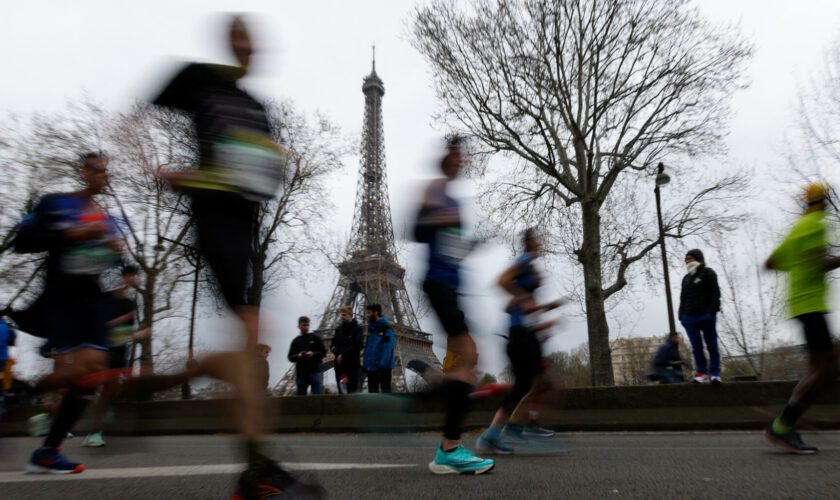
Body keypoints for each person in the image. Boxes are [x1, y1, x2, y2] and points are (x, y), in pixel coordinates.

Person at [147, 15, 322, 497]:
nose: (248, 43)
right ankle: (255, 470)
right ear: (229, 40)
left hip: (244, 227)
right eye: (239, 33)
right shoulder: (204, 80)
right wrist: (177, 172)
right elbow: (153, 100)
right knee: (250, 338)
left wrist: (277, 160)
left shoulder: (258, 109)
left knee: (249, 343)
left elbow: (262, 176)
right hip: (214, 219)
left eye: (253, 35)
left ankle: (169, 379)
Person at [13, 152, 123, 474]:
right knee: (81, 371)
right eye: (95, 169)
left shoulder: (106, 217)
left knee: (92, 374)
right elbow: (23, 242)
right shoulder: (55, 203)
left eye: (105, 171)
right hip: (60, 297)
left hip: (91, 297)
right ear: (82, 172)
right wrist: (70, 235)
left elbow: (103, 261)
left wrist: (112, 251)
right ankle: (19, 397)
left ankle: (47, 450)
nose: (102, 175)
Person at [415, 137, 494, 475]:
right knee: (469, 358)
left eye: (464, 156)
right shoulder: (435, 190)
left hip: (451, 286)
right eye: (457, 154)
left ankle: (433, 389)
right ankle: (449, 449)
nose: (461, 161)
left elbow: (450, 248)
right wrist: (438, 217)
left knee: (469, 360)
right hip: (438, 284)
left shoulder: (453, 201)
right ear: (446, 158)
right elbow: (418, 230)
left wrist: (469, 245)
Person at [763, 182, 839, 454]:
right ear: (824, 201)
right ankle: (782, 426)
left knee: (822, 367)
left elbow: (770, 262)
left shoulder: (798, 228)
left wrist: (795, 264)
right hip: (811, 304)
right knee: (822, 368)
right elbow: (820, 261)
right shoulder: (817, 224)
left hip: (799, 304)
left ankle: (784, 425)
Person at [476, 228, 564, 454]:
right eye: (538, 239)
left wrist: (546, 307)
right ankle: (504, 431)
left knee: (534, 383)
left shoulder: (530, 264)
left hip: (526, 332)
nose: (541, 243)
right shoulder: (524, 260)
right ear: (530, 242)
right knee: (531, 384)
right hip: (520, 334)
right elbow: (501, 280)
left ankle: (505, 430)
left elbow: (522, 304)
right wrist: (523, 298)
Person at [83, 265, 149, 447]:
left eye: (136, 277)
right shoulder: (108, 298)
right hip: (104, 351)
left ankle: (99, 420)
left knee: (113, 390)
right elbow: (104, 327)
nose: (133, 280)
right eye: (130, 276)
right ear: (124, 277)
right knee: (105, 391)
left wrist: (131, 332)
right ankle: (94, 432)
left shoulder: (131, 302)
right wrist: (135, 334)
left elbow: (123, 332)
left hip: (121, 352)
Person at [678, 249, 722, 384]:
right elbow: (683, 299)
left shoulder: (708, 273)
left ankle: (715, 373)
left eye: (690, 258)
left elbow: (715, 293)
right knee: (696, 348)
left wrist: (711, 312)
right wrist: (682, 317)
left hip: (706, 316)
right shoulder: (686, 278)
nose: (687, 261)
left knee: (711, 345)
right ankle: (701, 373)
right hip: (689, 319)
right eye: (686, 259)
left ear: (699, 259)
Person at [287, 316, 326, 395]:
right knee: (301, 399)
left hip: (314, 371)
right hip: (302, 373)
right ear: (299, 326)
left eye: (307, 325)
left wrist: (313, 354)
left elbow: (323, 352)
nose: (306, 327)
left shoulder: (315, 337)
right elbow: (290, 357)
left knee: (316, 397)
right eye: (304, 325)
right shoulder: (295, 341)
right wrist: (298, 356)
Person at [362, 304, 395, 393]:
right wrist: (366, 364)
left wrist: (381, 366)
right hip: (371, 367)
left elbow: (388, 349)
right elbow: (369, 349)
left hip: (383, 368)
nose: (367, 315)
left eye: (369, 313)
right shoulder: (372, 329)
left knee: (386, 394)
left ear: (376, 313)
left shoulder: (387, 329)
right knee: (372, 396)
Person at [331, 306, 363, 394]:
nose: (341, 317)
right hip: (340, 367)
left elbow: (359, 345)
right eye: (341, 315)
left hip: (352, 366)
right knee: (341, 393)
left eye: (344, 315)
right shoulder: (338, 330)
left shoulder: (358, 329)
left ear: (350, 315)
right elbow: (332, 346)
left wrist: (342, 355)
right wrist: (338, 353)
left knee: (352, 392)